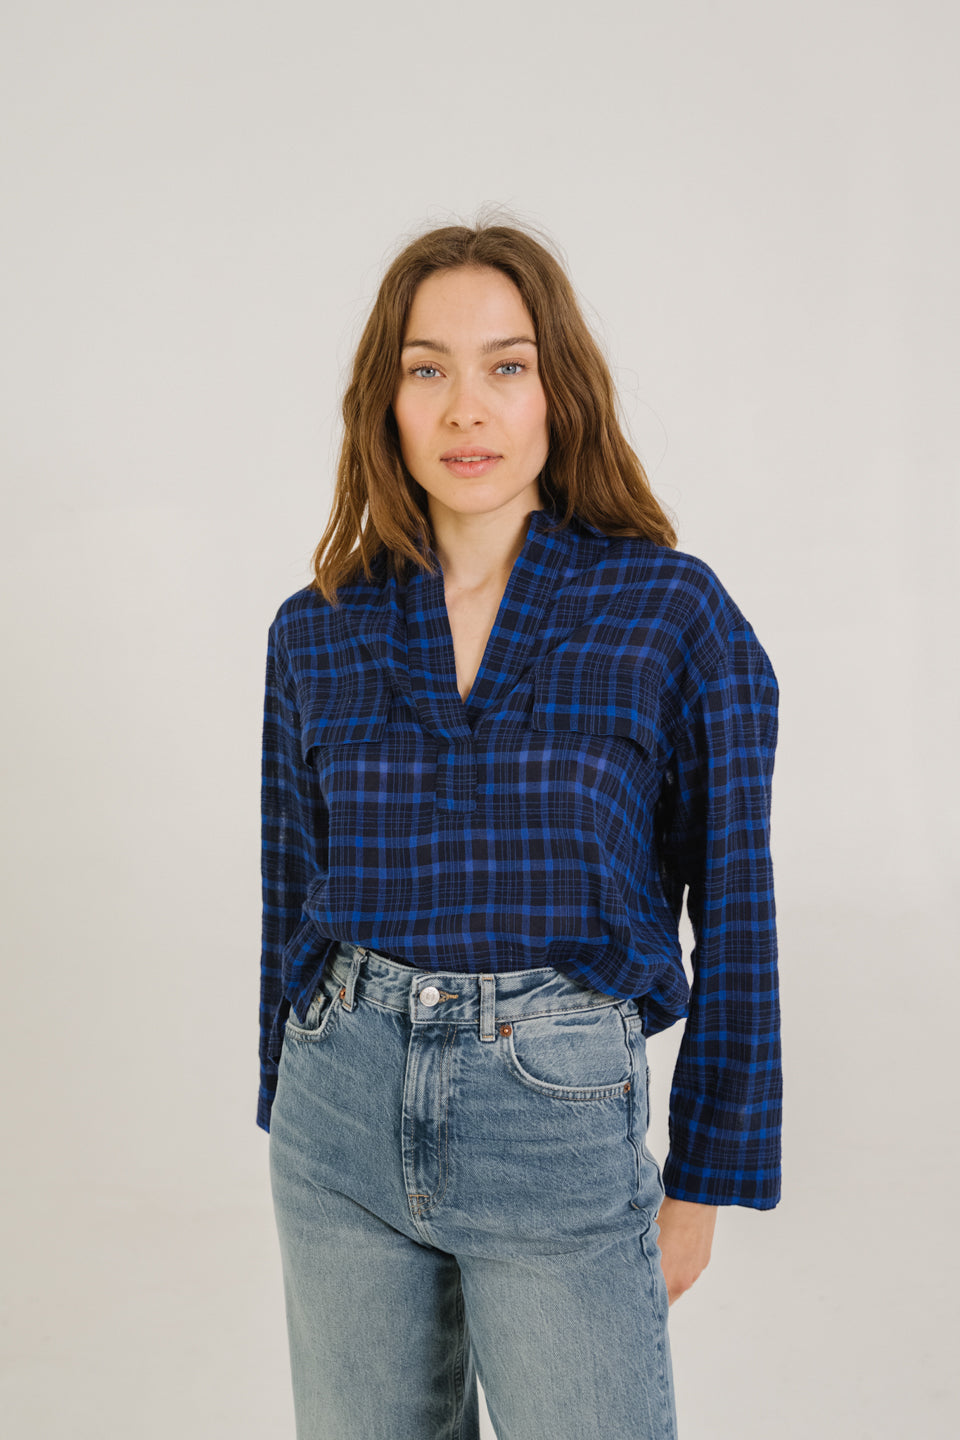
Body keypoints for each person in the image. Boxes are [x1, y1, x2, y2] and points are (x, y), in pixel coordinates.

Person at [258, 218, 781, 1440]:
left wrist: (702, 1184)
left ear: (560, 392)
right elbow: (291, 898)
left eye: (507, 365)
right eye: (426, 368)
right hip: (338, 1115)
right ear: (385, 402)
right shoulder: (315, 628)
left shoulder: (669, 613)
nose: (466, 408)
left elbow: (738, 909)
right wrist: (281, 1093)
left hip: (555, 1120)